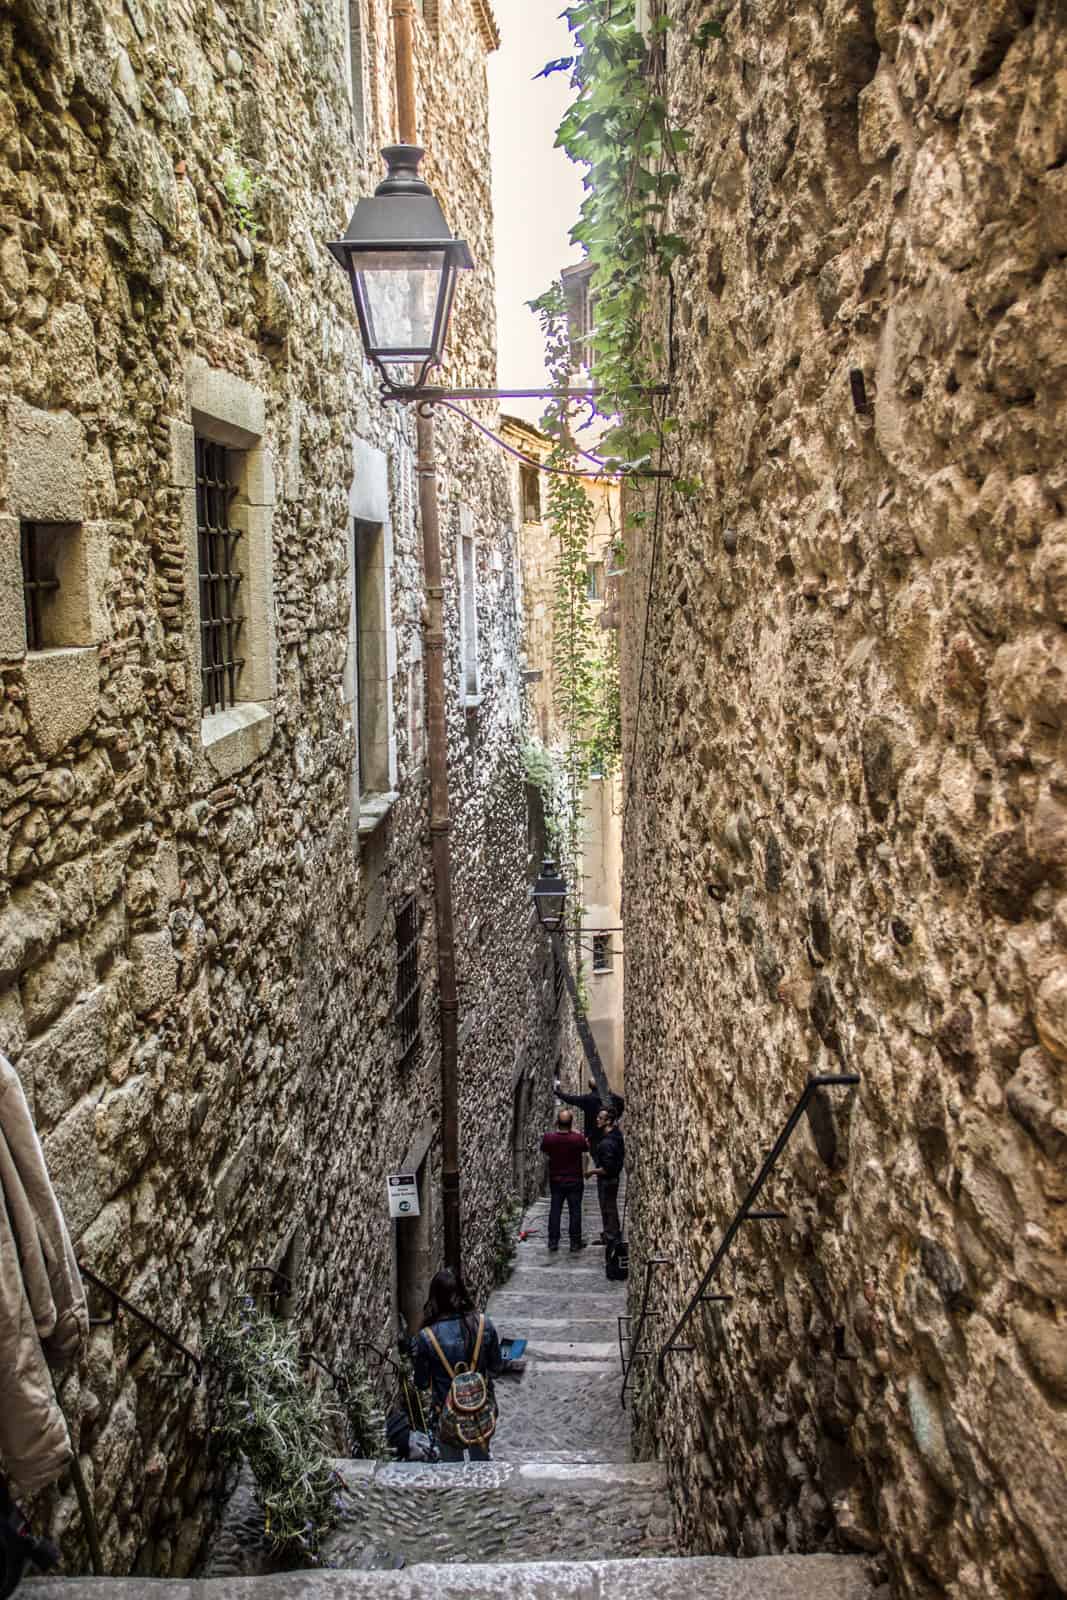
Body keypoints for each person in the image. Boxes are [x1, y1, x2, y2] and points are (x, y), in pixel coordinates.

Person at [412, 1268, 503, 1461]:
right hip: (480, 1410)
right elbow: (496, 1368)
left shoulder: (427, 1337)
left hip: (447, 1415)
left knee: (452, 1468)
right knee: (482, 1464)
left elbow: (421, 1383)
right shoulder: (483, 1325)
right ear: (461, 1293)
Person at [540, 1106, 589, 1252]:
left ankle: (553, 1241)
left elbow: (545, 1150)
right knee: (575, 1211)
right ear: (571, 1122)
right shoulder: (578, 1138)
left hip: (556, 1180)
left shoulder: (549, 1138)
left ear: (557, 1122)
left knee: (555, 1210)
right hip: (575, 1180)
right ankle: (575, 1242)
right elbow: (586, 1149)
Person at [554, 1077, 625, 1155]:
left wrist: (557, 1092)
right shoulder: (610, 1096)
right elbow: (622, 1103)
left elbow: (570, 1099)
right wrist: (616, 1117)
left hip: (594, 1136)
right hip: (608, 1132)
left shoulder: (587, 1099)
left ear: (590, 1087)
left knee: (598, 1156)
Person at [591, 1105, 624, 1245]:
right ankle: (609, 1235)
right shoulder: (615, 1135)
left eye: (600, 1118)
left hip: (608, 1181)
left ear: (608, 1121)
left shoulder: (608, 1142)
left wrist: (591, 1171)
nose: (597, 1120)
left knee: (609, 1208)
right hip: (611, 1180)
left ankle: (612, 1238)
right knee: (608, 1208)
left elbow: (608, 1169)